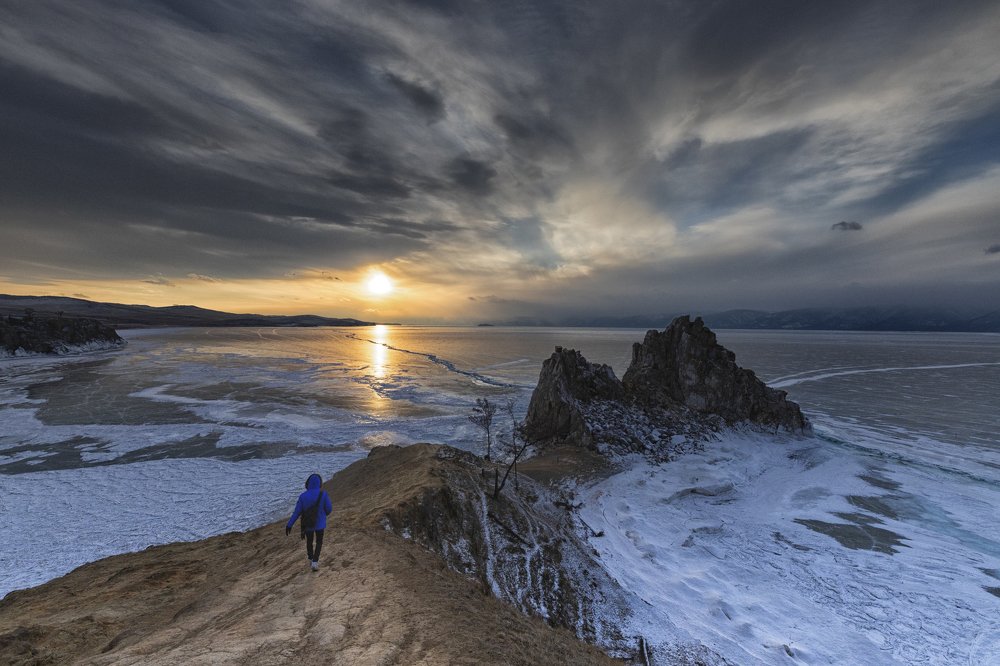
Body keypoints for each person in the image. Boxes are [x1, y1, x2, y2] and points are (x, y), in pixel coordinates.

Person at [285, 473, 332, 571]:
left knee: (309, 542)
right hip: (320, 524)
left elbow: (297, 512)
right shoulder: (323, 494)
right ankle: (315, 562)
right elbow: (329, 509)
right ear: (319, 483)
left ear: (308, 483)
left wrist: (289, 525)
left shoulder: (303, 496)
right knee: (319, 542)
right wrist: (322, 515)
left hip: (308, 524)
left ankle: (310, 559)